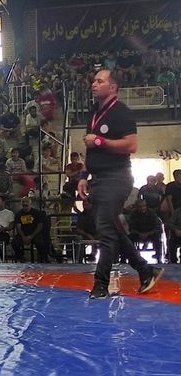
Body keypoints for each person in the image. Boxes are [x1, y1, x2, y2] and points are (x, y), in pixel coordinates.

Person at [77, 69, 163, 299]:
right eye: (93, 80)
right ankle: (145, 270)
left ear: (113, 86)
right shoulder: (94, 112)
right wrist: (83, 176)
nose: (94, 84)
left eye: (100, 81)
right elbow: (90, 149)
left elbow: (131, 145)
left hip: (116, 177)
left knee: (105, 229)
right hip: (98, 178)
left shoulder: (121, 112)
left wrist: (100, 141)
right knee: (112, 228)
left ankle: (101, 284)